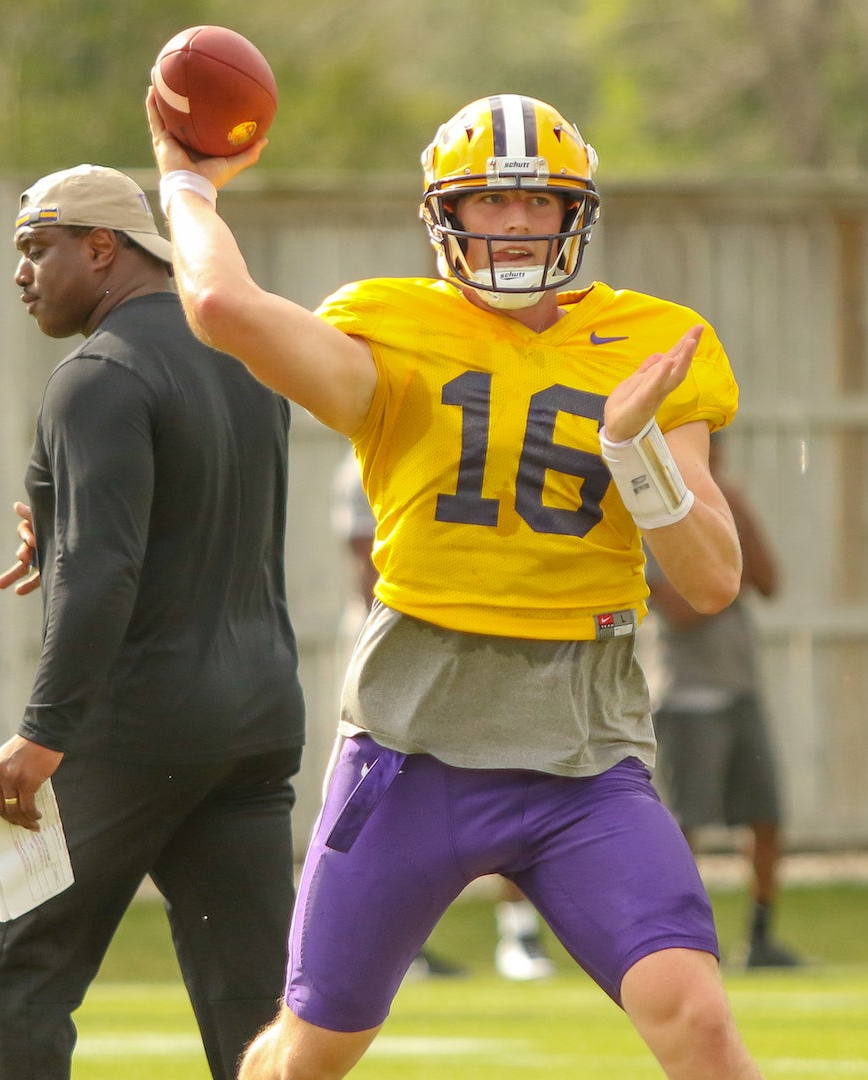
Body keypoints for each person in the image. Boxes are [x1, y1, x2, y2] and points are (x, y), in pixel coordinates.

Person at [148, 92, 765, 1080]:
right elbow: (221, 308)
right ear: (445, 215)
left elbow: (712, 574)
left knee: (695, 1019)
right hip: (413, 750)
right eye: (490, 201)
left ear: (577, 215)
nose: (517, 224)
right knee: (311, 1054)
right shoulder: (392, 331)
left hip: (583, 757)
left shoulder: (654, 343)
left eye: (539, 203)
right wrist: (186, 185)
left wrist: (630, 443)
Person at [0, 163, 307, 1080]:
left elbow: (102, 572)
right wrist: (58, 518)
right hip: (257, 723)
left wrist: (45, 732)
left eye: (38, 248)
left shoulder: (97, 375)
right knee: (253, 1005)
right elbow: (190, 521)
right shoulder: (247, 361)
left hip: (143, 722)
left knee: (17, 957)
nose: (22, 273)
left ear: (103, 248)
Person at [330, 455, 556, 983]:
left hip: (468, 647)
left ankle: (518, 934)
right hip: (394, 658)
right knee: (378, 801)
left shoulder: (470, 447)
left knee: (511, 774)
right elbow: (373, 574)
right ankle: (387, 944)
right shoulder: (367, 462)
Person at [644, 438, 803, 971]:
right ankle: (680, 942)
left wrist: (739, 520)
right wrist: (721, 571)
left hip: (740, 688)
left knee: (765, 817)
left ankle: (759, 937)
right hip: (685, 695)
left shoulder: (726, 509)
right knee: (684, 828)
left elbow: (771, 582)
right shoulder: (654, 515)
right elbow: (682, 608)